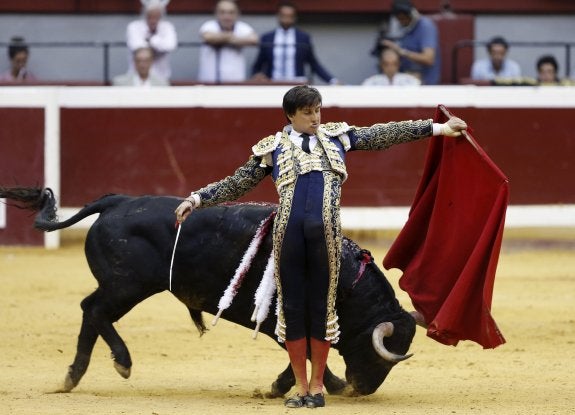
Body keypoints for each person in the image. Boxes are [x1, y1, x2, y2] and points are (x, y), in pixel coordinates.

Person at [174, 85, 467, 408]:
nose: (315, 118)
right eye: (307, 113)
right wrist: (197, 198)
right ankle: (300, 387)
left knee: (322, 312)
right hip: (288, 240)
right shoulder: (272, 149)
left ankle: (317, 387)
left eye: (317, 111)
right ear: (291, 115)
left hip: (325, 240)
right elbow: (238, 182)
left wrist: (438, 129)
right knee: (292, 312)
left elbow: (384, 134)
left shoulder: (337, 137)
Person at [251, 1, 338, 85]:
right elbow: (258, 65)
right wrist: (257, 75)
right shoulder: (267, 38)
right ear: (278, 16)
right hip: (273, 83)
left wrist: (332, 80)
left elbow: (313, 63)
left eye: (290, 16)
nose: (286, 19)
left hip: (297, 85)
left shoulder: (303, 38)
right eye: (283, 15)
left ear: (295, 17)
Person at [373, 0, 440, 85]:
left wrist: (401, 52)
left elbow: (429, 58)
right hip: (403, 82)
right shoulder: (401, 27)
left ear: (412, 15)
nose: (402, 21)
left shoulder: (425, 26)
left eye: (404, 18)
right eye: (399, 19)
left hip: (424, 83)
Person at [197, 0, 259, 84]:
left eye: (231, 12)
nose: (227, 17)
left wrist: (223, 38)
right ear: (216, 13)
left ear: (237, 14)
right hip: (209, 84)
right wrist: (233, 38)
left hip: (236, 84)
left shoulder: (242, 27)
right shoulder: (209, 25)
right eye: (222, 12)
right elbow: (208, 37)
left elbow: (254, 39)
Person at [126, 0, 177, 81]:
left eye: (156, 17)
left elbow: (170, 46)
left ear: (161, 16)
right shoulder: (134, 26)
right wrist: (159, 44)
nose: (153, 20)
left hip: (161, 77)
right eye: (150, 16)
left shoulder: (167, 27)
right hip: (137, 78)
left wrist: (150, 40)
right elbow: (137, 47)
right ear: (145, 15)